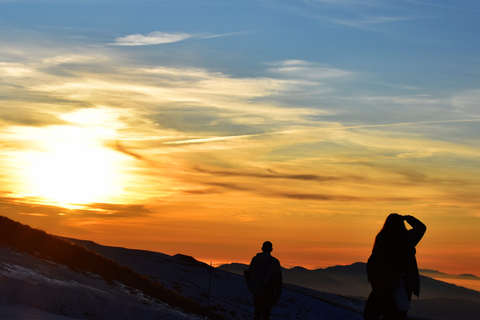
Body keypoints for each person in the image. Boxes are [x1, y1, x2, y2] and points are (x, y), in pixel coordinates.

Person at [364, 214, 427, 320]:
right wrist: (408, 218)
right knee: (398, 314)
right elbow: (421, 228)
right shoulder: (406, 239)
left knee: (385, 313)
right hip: (402, 284)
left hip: (384, 284)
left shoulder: (381, 238)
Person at [244, 241, 282, 320]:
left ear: (262, 248)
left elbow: (249, 273)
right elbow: (279, 279)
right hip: (268, 292)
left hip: (256, 291)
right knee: (266, 315)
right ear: (271, 249)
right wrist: (277, 295)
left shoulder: (254, 260)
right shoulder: (274, 262)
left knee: (257, 314)